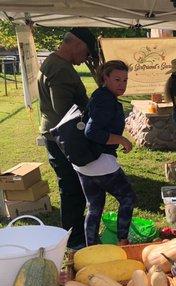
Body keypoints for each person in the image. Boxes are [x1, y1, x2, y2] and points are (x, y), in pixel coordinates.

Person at [38, 28, 98, 249]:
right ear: (77, 45)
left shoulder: (52, 61)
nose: (84, 61)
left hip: (55, 134)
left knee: (71, 187)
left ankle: (75, 233)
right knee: (73, 189)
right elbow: (65, 111)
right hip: (63, 138)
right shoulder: (61, 69)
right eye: (86, 54)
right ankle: (74, 240)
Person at [73, 60, 136, 246]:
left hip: (84, 163)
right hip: (100, 162)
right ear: (105, 78)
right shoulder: (106, 100)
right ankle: (123, 241)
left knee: (94, 207)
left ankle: (92, 247)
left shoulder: (100, 95)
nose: (122, 84)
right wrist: (121, 139)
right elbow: (92, 132)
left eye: (125, 80)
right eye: (117, 79)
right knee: (128, 197)